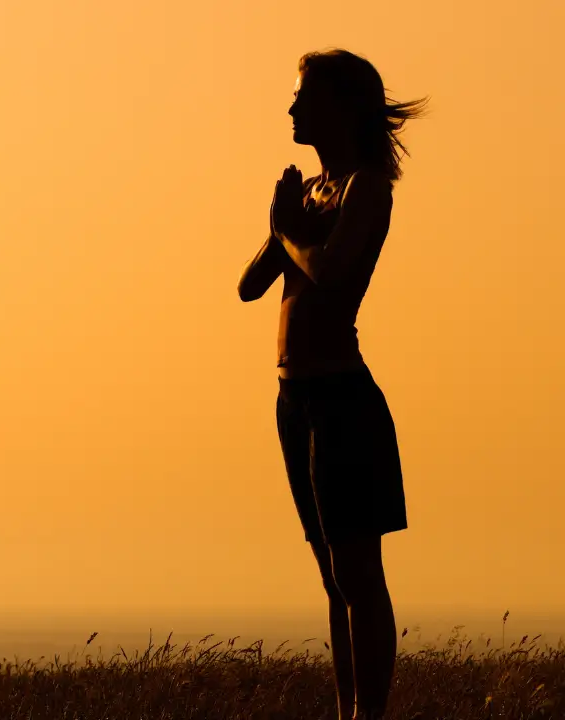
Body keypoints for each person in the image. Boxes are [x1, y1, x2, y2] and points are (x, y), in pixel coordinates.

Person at [237, 48, 426, 720]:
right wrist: (280, 224)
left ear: (339, 107)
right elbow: (248, 286)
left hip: (344, 401)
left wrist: (290, 231)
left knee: (357, 577)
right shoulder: (313, 194)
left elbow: (336, 275)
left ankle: (367, 716)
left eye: (303, 97)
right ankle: (347, 712)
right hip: (295, 399)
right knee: (330, 577)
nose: (291, 109)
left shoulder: (366, 189)